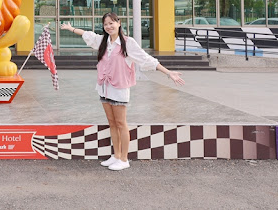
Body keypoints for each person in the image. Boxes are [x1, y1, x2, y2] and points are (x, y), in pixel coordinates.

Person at [61, 13, 185, 171]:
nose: (109, 26)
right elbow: (87, 35)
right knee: (112, 123)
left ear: (119, 23)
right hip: (104, 87)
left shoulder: (128, 43)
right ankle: (116, 155)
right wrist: (71, 29)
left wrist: (168, 73)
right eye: (106, 24)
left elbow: (146, 59)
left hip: (119, 89)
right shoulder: (103, 41)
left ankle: (124, 158)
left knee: (121, 123)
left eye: (111, 23)